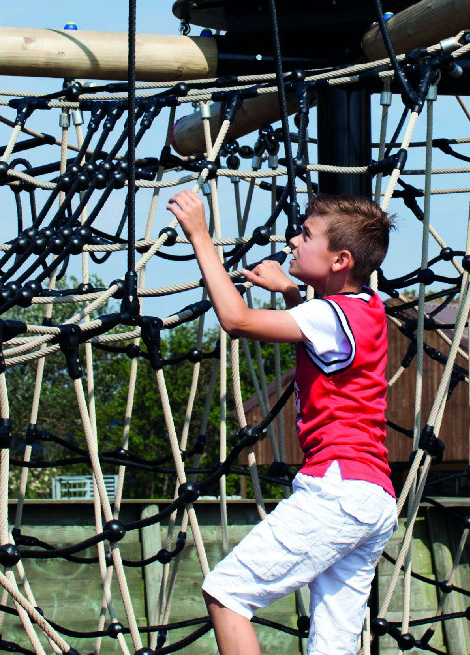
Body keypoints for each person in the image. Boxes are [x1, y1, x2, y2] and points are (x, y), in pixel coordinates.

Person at [165, 190, 396, 655]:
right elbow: (320, 332)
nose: (294, 240)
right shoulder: (367, 308)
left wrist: (200, 235)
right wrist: (291, 292)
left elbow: (236, 319)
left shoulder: (329, 315)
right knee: (332, 646)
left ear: (339, 259)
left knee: (227, 593)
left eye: (307, 235)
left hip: (336, 490)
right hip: (371, 497)